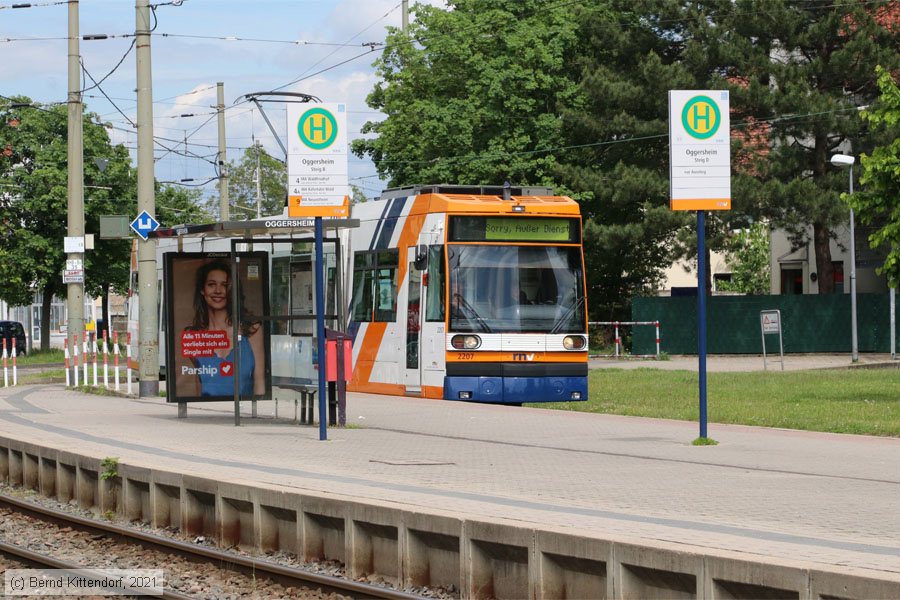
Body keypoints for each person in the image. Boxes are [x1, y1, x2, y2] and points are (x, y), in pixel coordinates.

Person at [182, 260, 265, 397]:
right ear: (202, 290)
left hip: (243, 413)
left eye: (225, 285)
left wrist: (256, 415)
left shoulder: (252, 330)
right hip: (209, 414)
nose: (218, 291)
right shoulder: (192, 336)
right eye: (211, 285)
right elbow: (200, 384)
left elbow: (259, 384)